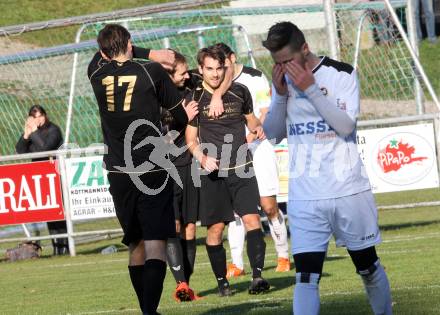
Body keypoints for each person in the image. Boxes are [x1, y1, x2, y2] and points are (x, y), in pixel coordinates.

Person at [262, 22, 392, 315]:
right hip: (305, 195)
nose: (283, 68)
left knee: (367, 267)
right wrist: (281, 96)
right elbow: (272, 134)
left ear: (305, 49)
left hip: (348, 191)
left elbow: (346, 125)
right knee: (306, 276)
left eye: (287, 61)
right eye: (277, 63)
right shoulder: (282, 82)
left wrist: (311, 90)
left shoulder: (341, 73)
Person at [87, 24, 198, 315]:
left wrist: (148, 53)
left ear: (102, 51)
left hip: (118, 171)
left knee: (135, 244)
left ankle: (146, 310)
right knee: (155, 243)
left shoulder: (96, 74)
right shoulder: (152, 72)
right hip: (151, 168)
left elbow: (100, 55)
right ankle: (149, 311)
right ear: (131, 42)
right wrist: (184, 115)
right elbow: (178, 116)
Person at [185, 45, 270, 297]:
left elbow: (251, 120)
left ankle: (257, 277)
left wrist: (256, 128)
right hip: (213, 174)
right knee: (216, 230)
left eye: (218, 68)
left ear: (225, 67)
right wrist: (201, 157)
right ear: (201, 69)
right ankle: (223, 283)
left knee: (252, 220)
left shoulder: (240, 91)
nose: (214, 74)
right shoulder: (194, 99)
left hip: (242, 169)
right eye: (209, 69)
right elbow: (191, 139)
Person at [213, 43, 291, 278]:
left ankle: (283, 255)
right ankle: (236, 263)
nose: (219, 71)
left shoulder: (255, 77)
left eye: (223, 65)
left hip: (259, 147)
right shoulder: (215, 86)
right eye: (215, 67)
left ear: (232, 58)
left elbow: (265, 112)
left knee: (268, 206)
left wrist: (251, 133)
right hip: (233, 153)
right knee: (237, 210)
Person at [162, 50, 201, 302]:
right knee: (173, 226)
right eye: (182, 73)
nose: (188, 76)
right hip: (164, 168)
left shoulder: (191, 89)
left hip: (187, 165)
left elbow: (222, 73)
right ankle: (181, 283)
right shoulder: (153, 96)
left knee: (189, 227)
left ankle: (186, 285)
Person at [15, 104, 69, 256]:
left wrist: (33, 133)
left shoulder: (54, 130)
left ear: (45, 115)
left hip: (55, 174)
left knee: (59, 213)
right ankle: (56, 247)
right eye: (34, 117)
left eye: (40, 116)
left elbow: (46, 149)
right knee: (50, 214)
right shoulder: (33, 132)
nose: (38, 120)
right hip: (40, 177)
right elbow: (20, 150)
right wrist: (26, 135)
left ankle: (65, 246)